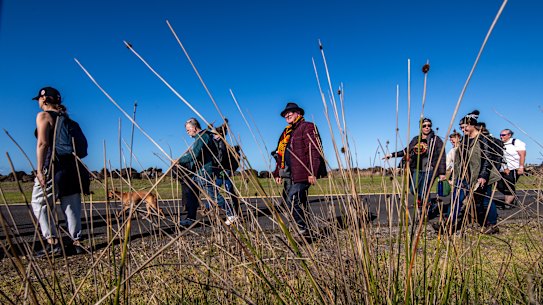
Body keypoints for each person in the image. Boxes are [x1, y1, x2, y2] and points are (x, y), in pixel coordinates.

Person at [30, 87, 88, 256]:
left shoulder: (44, 116)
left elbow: (43, 143)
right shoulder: (70, 121)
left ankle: (52, 242)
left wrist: (40, 170)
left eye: (39, 100)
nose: (39, 104)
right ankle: (76, 242)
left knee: (40, 203)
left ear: (45, 99)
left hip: (54, 166)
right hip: (73, 168)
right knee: (71, 205)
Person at [436, 111, 501, 234]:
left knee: (486, 201)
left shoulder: (482, 139)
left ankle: (492, 225)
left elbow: (487, 159)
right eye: (461, 127)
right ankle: (449, 224)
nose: (462, 129)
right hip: (464, 176)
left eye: (464, 127)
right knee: (456, 199)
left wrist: (483, 176)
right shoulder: (465, 140)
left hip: (481, 176)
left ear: (472, 125)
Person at [272, 102, 327, 235]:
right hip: (290, 174)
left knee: (292, 199)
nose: (287, 115)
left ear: (299, 113)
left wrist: (312, 172)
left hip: (303, 172)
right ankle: (307, 229)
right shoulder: (286, 133)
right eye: (285, 114)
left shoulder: (307, 127)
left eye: (290, 112)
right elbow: (280, 154)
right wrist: (277, 173)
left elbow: (314, 151)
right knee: (297, 202)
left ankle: (303, 230)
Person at [177, 118, 237, 226]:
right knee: (192, 195)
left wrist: (180, 160)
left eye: (188, 130)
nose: (187, 133)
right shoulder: (200, 137)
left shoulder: (202, 137)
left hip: (204, 171)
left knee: (213, 195)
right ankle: (191, 218)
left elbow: (195, 154)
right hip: (197, 172)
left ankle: (231, 214)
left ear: (194, 128)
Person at [384, 118, 446, 219]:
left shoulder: (436, 139)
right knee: (413, 189)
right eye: (424, 125)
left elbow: (441, 155)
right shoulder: (416, 139)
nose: (427, 127)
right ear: (420, 127)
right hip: (416, 168)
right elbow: (406, 151)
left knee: (424, 191)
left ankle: (425, 212)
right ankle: (426, 203)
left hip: (429, 168)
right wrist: (391, 154)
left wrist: (442, 172)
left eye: (429, 125)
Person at [212, 120, 241, 215]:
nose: (213, 136)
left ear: (219, 134)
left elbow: (221, 158)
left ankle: (232, 210)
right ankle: (234, 209)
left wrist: (213, 163)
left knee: (216, 190)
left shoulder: (221, 143)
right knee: (228, 190)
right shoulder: (220, 142)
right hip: (223, 170)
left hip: (223, 170)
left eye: (214, 134)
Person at [497, 129, 526, 208]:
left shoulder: (516, 142)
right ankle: (513, 197)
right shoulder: (500, 144)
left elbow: (522, 155)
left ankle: (507, 204)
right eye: (500, 135)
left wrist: (521, 167)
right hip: (503, 168)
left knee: (509, 185)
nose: (501, 136)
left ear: (509, 135)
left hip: (513, 168)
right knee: (499, 185)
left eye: (503, 135)